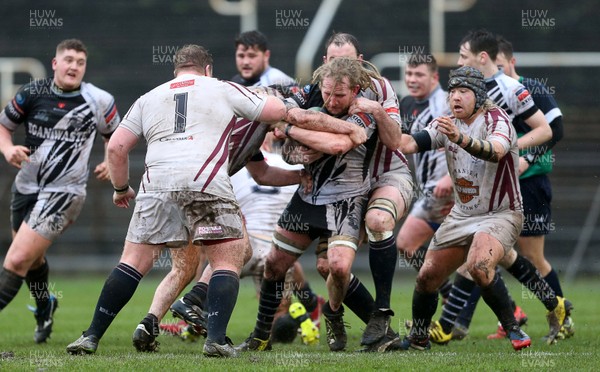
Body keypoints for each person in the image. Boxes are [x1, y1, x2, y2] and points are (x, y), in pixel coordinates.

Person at [65, 44, 287, 358]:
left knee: (133, 262)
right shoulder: (221, 88)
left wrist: (120, 188)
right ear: (207, 69)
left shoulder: (148, 97)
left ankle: (91, 335)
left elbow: (116, 148)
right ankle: (216, 340)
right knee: (227, 259)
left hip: (155, 185)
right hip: (205, 182)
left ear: (175, 71)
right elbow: (275, 112)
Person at [236, 56, 395, 353]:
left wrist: (290, 129)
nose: (332, 101)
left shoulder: (366, 108)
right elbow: (290, 151)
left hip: (346, 199)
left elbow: (337, 146)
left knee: (336, 267)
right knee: (273, 264)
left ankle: (334, 313)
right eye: (327, 93)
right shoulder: (307, 93)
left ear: (356, 90)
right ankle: (260, 337)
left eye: (339, 95)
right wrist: (295, 131)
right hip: (308, 194)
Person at [430, 29, 567, 345]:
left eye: (464, 55)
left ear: (481, 57)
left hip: (510, 188)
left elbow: (547, 129)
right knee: (503, 256)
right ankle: (554, 304)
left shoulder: (512, 89)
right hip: (479, 187)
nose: (460, 61)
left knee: (481, 255)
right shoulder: (466, 92)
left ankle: (449, 323)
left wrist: (515, 151)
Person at [282, 32, 412, 352]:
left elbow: (396, 142)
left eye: (349, 62)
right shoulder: (318, 88)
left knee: (379, 220)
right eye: (333, 61)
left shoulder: (379, 87)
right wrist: (302, 161)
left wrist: (377, 111)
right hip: (339, 186)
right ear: (324, 63)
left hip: (386, 175)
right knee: (330, 267)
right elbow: (286, 127)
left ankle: (381, 312)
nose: (340, 67)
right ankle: (339, 315)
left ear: (361, 61)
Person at [398, 66, 534, 351]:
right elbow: (408, 143)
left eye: (464, 92)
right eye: (453, 92)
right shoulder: (446, 122)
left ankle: (513, 329)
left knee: (478, 265)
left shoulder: (498, 119)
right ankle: (420, 338)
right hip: (462, 214)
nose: (456, 98)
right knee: (426, 277)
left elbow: (496, 151)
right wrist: (378, 119)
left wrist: (459, 138)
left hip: (502, 213)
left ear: (478, 95)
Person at [0, 38, 120, 343]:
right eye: (68, 60)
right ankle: (45, 305)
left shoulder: (99, 100)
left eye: (80, 62)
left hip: (65, 193)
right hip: (25, 188)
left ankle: (44, 306)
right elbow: (4, 126)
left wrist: (109, 160)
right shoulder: (31, 92)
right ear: (55, 63)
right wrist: (7, 149)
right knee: (31, 261)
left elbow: (115, 136)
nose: (74, 67)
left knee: (15, 261)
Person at [396, 53, 454, 292]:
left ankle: (450, 300)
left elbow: (465, 141)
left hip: (452, 191)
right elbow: (400, 143)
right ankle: (449, 296)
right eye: (409, 73)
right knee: (407, 245)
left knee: (407, 243)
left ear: (434, 77)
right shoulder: (408, 103)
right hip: (429, 190)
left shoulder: (446, 103)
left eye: (419, 74)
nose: (412, 79)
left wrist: (450, 177)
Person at [231, 30, 295, 87]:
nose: (246, 62)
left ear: (266, 56)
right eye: (241, 56)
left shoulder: (280, 82)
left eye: (252, 56)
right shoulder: (235, 82)